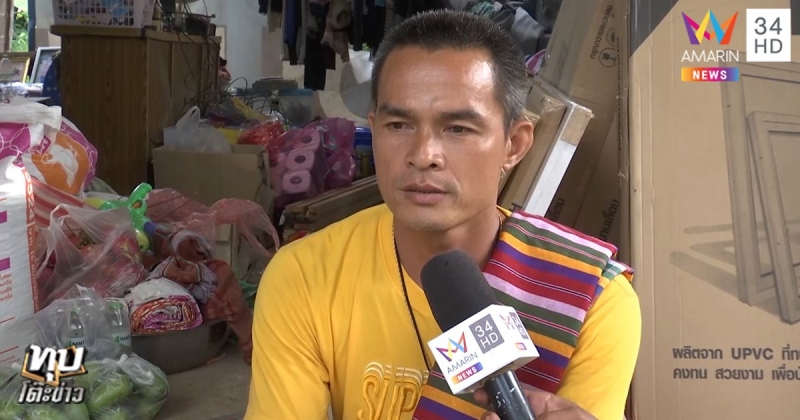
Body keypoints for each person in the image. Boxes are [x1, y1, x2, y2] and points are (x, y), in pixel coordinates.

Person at [246, 9, 641, 420]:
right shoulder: (305, 276)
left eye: (458, 129)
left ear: (514, 144)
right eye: (399, 125)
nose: (423, 155)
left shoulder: (592, 300)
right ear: (374, 129)